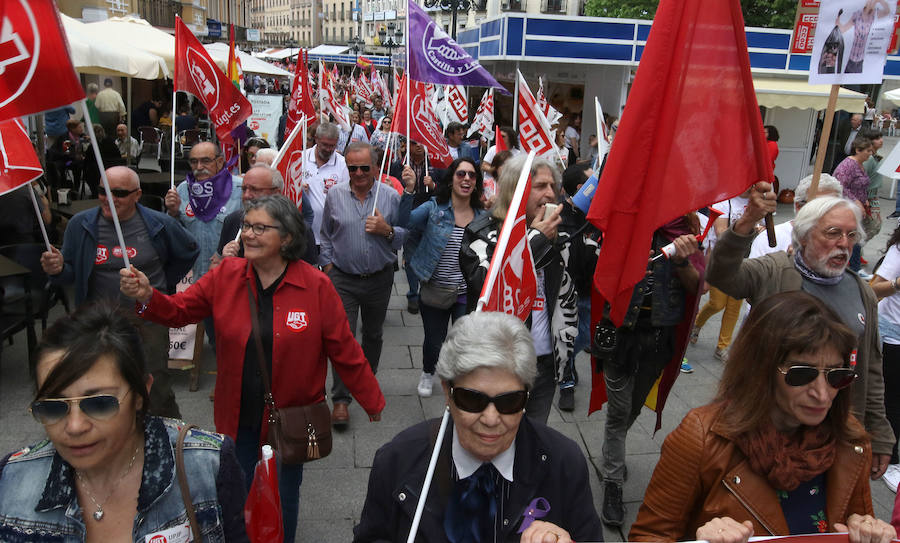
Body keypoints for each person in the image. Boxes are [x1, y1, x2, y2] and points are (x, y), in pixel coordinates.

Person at [121, 194, 385, 543]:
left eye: (260, 228)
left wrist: (371, 400)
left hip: (289, 419)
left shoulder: (316, 285)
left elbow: (344, 349)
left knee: (283, 497)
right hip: (238, 415)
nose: (248, 234)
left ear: (287, 237)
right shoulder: (226, 276)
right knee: (238, 494)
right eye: (247, 226)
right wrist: (146, 296)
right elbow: (178, 311)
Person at [629, 291, 896, 543]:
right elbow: (649, 535)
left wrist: (870, 532)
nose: (823, 394)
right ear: (761, 371)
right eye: (802, 374)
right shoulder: (701, 438)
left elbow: (858, 522)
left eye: (837, 375)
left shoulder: (851, 439)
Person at [0, 303, 248, 542]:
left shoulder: (208, 467)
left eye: (99, 403)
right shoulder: (11, 480)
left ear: (141, 394)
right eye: (53, 407)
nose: (75, 426)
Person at [353, 311, 604, 543]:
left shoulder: (564, 463)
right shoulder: (398, 459)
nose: (491, 419)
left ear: (526, 397)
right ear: (447, 392)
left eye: (509, 401)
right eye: (472, 399)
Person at [707, 187, 896, 481]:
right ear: (804, 236)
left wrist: (881, 431)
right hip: (765, 425)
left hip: (833, 432)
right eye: (833, 233)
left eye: (850, 236)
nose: (843, 245)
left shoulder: (862, 293)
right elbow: (721, 275)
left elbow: (871, 369)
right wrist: (745, 225)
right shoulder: (774, 272)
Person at [40, 166, 198, 418]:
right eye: (103, 191)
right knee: (101, 384)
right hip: (98, 321)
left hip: (148, 319)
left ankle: (167, 437)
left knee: (154, 384)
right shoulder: (81, 225)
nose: (109, 199)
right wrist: (57, 269)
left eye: (119, 193)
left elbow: (189, 250)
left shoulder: (160, 224)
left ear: (137, 195)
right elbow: (70, 273)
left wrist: (159, 286)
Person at [596, 213, 703, 526]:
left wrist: (683, 260)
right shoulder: (625, 224)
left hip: (658, 340)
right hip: (619, 335)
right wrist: (624, 263)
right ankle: (612, 484)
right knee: (618, 413)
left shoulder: (685, 232)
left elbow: (698, 287)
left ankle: (610, 452)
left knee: (632, 408)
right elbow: (595, 273)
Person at [460, 154, 577, 424]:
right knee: (494, 435)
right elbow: (485, 287)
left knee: (532, 440)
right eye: (539, 186)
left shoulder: (559, 235)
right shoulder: (481, 233)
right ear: (516, 190)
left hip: (544, 364)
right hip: (498, 362)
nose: (550, 194)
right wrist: (534, 240)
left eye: (552, 186)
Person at [319, 143, 412, 426]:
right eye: (352, 168)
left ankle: (365, 383)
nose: (358, 173)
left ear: (375, 167)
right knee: (342, 338)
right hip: (343, 279)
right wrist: (328, 265)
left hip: (379, 279)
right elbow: (325, 234)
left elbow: (404, 236)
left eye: (363, 167)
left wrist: (387, 231)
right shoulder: (334, 195)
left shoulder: (389, 196)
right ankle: (341, 400)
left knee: (373, 334)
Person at [406, 157, 487, 398]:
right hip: (435, 289)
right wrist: (409, 191)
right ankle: (427, 371)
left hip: (466, 291)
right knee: (434, 341)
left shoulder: (483, 215)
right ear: (451, 180)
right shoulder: (433, 207)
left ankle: (458, 380)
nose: (466, 179)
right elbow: (405, 222)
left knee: (462, 341)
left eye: (472, 175)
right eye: (461, 174)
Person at [556, 162, 602, 410]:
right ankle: (566, 383)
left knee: (583, 338)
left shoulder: (597, 215)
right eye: (592, 182)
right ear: (580, 188)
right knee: (566, 340)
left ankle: (567, 364)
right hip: (565, 295)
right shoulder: (558, 216)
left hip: (590, 291)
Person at [691, 189, 754, 361]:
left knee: (734, 306)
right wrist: (750, 226)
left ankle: (722, 346)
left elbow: (764, 228)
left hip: (745, 261)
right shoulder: (724, 200)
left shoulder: (759, 199)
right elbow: (721, 232)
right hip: (722, 260)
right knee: (717, 303)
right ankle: (697, 323)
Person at [216, 164, 317, 266]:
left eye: (254, 189)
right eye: (244, 189)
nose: (246, 195)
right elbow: (215, 267)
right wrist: (224, 261)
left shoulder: (299, 229)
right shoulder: (232, 221)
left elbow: (310, 276)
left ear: (276, 193)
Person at [390, 140, 440, 314]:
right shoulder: (398, 166)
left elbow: (447, 190)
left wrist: (433, 185)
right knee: (410, 257)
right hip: (408, 216)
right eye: (413, 143)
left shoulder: (435, 163)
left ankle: (429, 292)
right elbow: (392, 189)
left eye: (422, 143)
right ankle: (413, 294)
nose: (419, 146)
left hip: (431, 217)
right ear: (406, 146)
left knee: (431, 255)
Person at [868, 222, 900, 492]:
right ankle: (891, 459)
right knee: (893, 401)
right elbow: (872, 291)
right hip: (894, 336)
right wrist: (899, 283)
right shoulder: (898, 251)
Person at [301, 122, 350, 250]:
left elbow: (348, 198)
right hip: (303, 233)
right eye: (324, 145)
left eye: (332, 146)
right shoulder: (300, 158)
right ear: (316, 138)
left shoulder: (343, 164)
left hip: (331, 237)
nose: (328, 149)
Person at [832, 136, 874, 276]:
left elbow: (860, 185)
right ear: (858, 150)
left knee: (856, 236)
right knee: (854, 236)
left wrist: (865, 200)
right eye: (868, 150)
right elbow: (840, 186)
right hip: (847, 207)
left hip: (858, 207)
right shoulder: (848, 165)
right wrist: (856, 201)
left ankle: (854, 266)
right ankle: (855, 268)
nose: (870, 153)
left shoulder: (860, 165)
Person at [836, 0, 890, 73]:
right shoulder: (857, 14)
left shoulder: (875, 14)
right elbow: (843, 29)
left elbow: (887, 11)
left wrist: (880, 1)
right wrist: (838, 19)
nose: (871, 2)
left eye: (873, 1)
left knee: (857, 82)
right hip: (851, 59)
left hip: (861, 61)